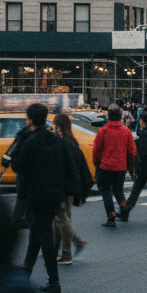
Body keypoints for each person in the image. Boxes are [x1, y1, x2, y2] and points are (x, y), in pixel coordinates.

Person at [10, 103, 68, 293]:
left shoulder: (30, 142)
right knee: (37, 233)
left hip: (36, 194)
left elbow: (17, 166)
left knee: (44, 237)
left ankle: (54, 280)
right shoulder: (55, 139)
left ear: (29, 120)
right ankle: (25, 273)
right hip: (54, 193)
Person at [51, 114, 90, 266]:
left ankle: (66, 254)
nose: (52, 127)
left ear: (58, 127)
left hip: (63, 186)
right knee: (61, 218)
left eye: (54, 125)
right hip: (71, 186)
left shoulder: (62, 143)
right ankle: (56, 250)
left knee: (60, 218)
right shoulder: (72, 142)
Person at [92, 105, 136, 227]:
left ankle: (111, 216)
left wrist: (96, 163)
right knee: (118, 189)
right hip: (121, 166)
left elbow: (97, 150)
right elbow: (132, 150)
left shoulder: (103, 131)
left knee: (106, 191)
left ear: (108, 117)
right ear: (121, 117)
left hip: (105, 165)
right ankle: (124, 208)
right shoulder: (126, 131)